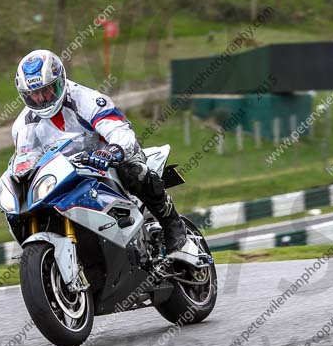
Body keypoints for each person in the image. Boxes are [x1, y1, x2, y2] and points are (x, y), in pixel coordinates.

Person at [10, 49, 201, 265]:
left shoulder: (86, 99)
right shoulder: (23, 126)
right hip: (65, 176)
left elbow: (120, 130)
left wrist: (112, 150)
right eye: (34, 94)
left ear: (60, 81)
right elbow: (26, 158)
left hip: (106, 162)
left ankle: (173, 228)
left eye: (47, 90)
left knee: (132, 171)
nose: (42, 98)